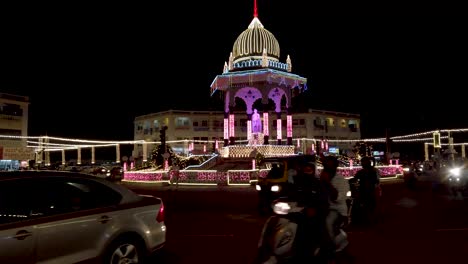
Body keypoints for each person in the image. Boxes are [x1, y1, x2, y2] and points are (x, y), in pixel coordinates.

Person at [319, 155, 350, 261]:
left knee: (328, 221)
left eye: (329, 167)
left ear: (335, 167)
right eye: (325, 166)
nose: (326, 169)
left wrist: (327, 183)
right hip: (323, 207)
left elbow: (337, 199)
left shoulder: (341, 181)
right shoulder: (319, 178)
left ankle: (331, 247)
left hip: (337, 209)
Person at [354, 156, 381, 224]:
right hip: (363, 190)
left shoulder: (374, 171)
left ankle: (372, 218)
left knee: (372, 205)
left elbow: (377, 181)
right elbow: (355, 179)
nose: (362, 164)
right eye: (362, 162)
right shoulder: (361, 171)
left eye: (364, 162)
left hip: (372, 190)